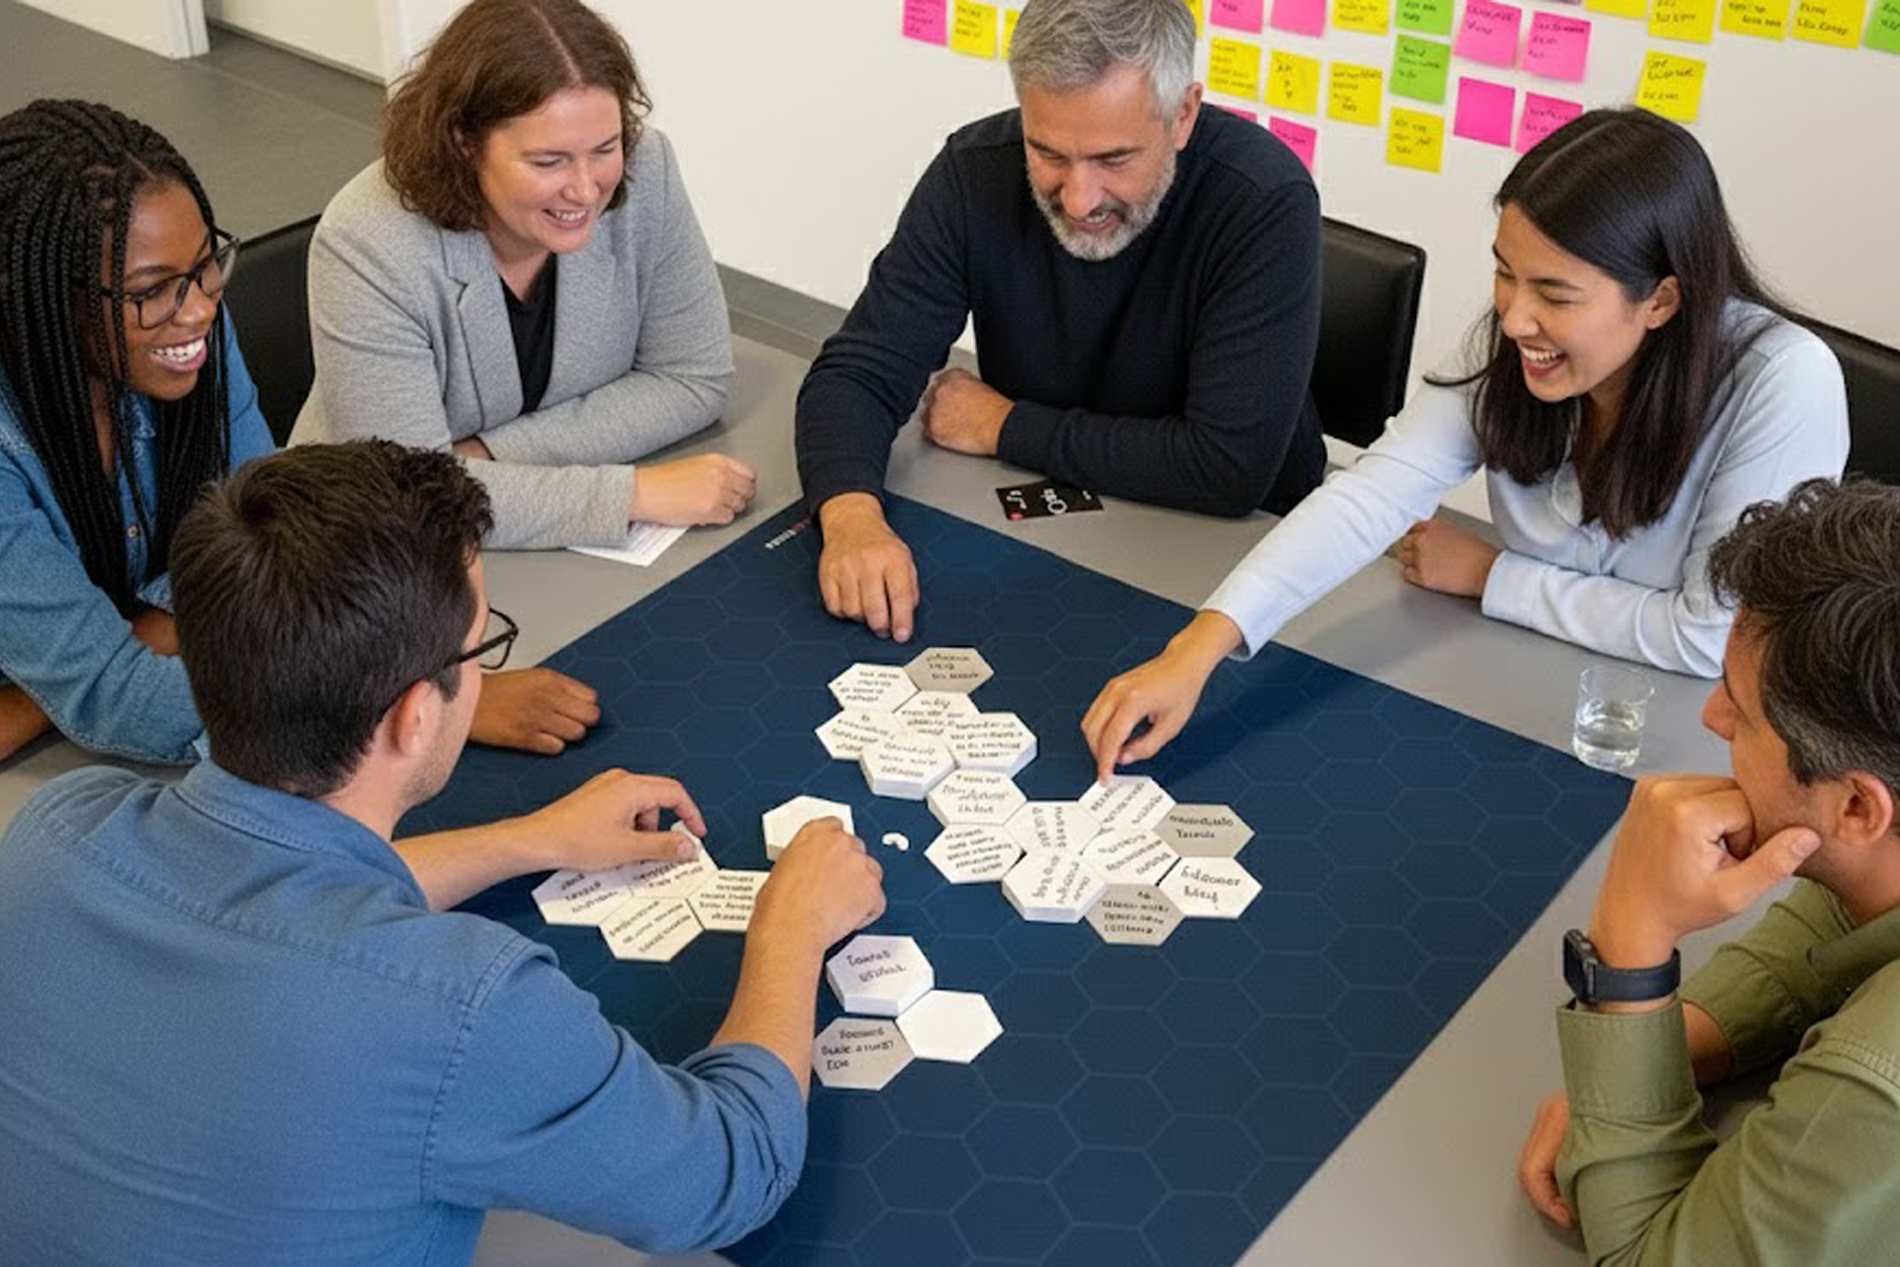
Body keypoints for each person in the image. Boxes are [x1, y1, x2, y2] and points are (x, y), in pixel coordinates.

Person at [0, 439, 887, 1264]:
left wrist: (528, 839)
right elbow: (730, 1173)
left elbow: (277, 902)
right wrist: (790, 931)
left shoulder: (54, 831)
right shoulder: (469, 1008)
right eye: (482, 647)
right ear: (415, 715)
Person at [1082, 108, 1849, 783]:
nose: (1514, 319)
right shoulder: (1518, 345)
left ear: (1661, 299)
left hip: (1673, 743)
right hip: (1512, 697)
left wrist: (1493, 575)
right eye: (1505, 274)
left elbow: (1708, 636)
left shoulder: (1784, 381)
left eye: (1554, 293)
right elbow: (1371, 494)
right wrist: (1196, 650)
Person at [0, 99, 596, 767]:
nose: (199, 309)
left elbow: (268, 549)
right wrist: (415, 701)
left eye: (205, 265)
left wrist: (67, 677)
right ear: (34, 300)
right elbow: (121, 699)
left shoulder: (189, 330)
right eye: (150, 291)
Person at [798, 0, 1326, 643]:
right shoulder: (973, 172)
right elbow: (859, 370)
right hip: (1040, 511)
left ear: (1183, 115)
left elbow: (1227, 467)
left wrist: (1002, 426)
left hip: (1234, 556)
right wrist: (851, 516)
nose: (1078, 200)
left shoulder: (1263, 200)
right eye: (1046, 153)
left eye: (1113, 160)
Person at [1512, 477, 1900, 1265]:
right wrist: (1648, 1062)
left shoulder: (1876, 1087)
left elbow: (1645, 1255)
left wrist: (1631, 948)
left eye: (1741, 711)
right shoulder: (1877, 858)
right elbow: (1845, 920)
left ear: (1860, 807)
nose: (1710, 716)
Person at [291, 0, 754, 550]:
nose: (585, 189)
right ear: (464, 143)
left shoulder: (646, 167)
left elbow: (692, 378)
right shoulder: (367, 241)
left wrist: (490, 454)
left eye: (604, 148)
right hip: (368, 556)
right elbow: (408, 498)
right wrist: (630, 495)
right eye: (548, 162)